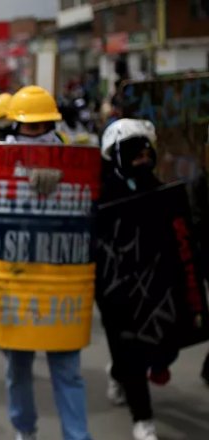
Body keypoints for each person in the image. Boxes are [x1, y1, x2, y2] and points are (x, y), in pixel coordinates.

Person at [3, 85, 92, 440]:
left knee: (67, 368)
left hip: (62, 278)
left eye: (43, 127)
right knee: (18, 366)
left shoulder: (75, 159)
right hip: (16, 278)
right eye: (30, 128)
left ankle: (78, 436)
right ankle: (24, 430)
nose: (38, 134)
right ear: (16, 127)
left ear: (53, 124)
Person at [98, 119, 169, 440]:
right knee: (129, 348)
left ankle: (118, 372)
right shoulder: (99, 192)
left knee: (160, 345)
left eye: (146, 153)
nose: (142, 160)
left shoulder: (158, 189)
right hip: (113, 287)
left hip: (152, 282)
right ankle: (143, 419)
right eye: (133, 154)